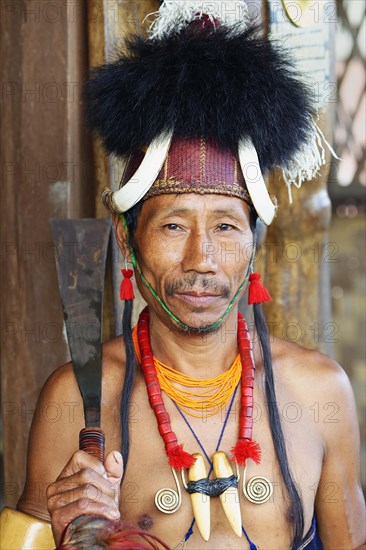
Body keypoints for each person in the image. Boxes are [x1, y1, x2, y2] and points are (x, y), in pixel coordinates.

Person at [16, 2, 365, 549]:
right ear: (127, 239)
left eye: (226, 226)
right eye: (174, 225)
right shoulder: (80, 402)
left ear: (254, 245)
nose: (202, 259)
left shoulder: (320, 392)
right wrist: (74, 534)